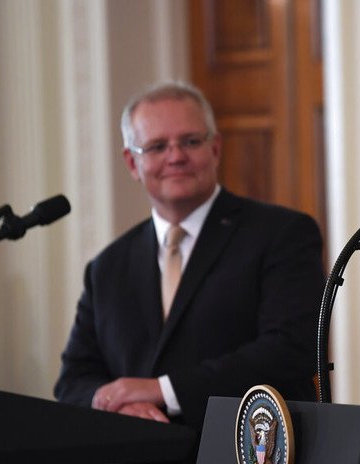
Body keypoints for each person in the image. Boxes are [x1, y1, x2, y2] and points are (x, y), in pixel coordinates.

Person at [54, 81, 325, 432]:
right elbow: (73, 381)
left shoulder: (281, 233)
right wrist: (117, 405)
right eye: (156, 146)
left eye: (190, 141)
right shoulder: (107, 267)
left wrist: (163, 391)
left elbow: (290, 350)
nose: (176, 156)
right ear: (132, 163)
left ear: (215, 148)